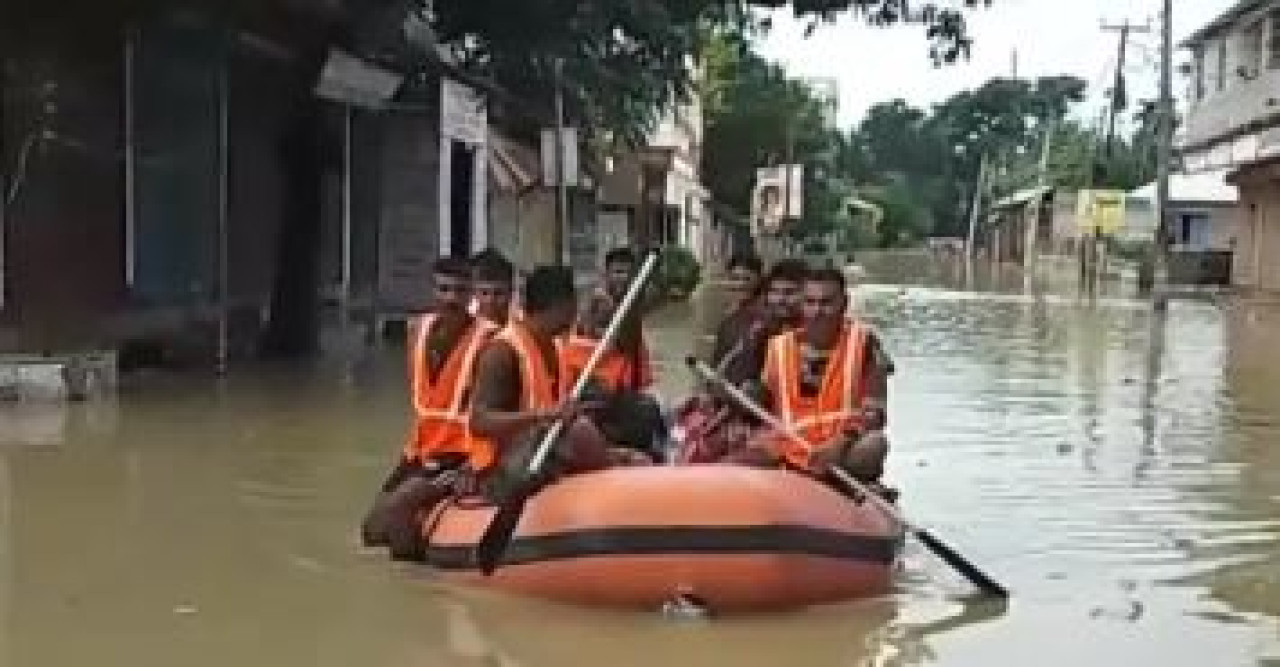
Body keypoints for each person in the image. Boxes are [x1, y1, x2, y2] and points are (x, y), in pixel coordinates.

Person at [468, 265, 650, 503]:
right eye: (572, 307)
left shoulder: (555, 346)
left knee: (632, 441)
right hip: (503, 467)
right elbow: (479, 422)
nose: (575, 315)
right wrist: (545, 415)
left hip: (544, 448)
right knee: (580, 432)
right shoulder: (501, 353)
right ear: (559, 306)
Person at [361, 256, 498, 558]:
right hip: (422, 450)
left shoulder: (488, 340)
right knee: (371, 530)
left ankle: (411, 578)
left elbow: (491, 409)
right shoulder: (417, 330)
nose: (451, 299)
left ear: (471, 294)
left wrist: (474, 466)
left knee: (400, 507)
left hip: (460, 454)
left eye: (460, 291)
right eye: (444, 289)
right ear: (432, 290)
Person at [728, 267, 896, 499]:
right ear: (802, 305)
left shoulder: (864, 343)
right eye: (810, 302)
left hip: (841, 449)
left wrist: (839, 443)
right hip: (788, 446)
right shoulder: (777, 346)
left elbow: (875, 413)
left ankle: (844, 490)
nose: (817, 311)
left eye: (826, 303)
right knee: (737, 455)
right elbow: (766, 404)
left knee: (875, 445)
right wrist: (747, 400)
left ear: (844, 304)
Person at [470, 248, 517, 326]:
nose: (490, 300)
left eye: (498, 293)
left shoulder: (522, 329)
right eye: (484, 293)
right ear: (474, 292)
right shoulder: (465, 327)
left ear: (511, 293)